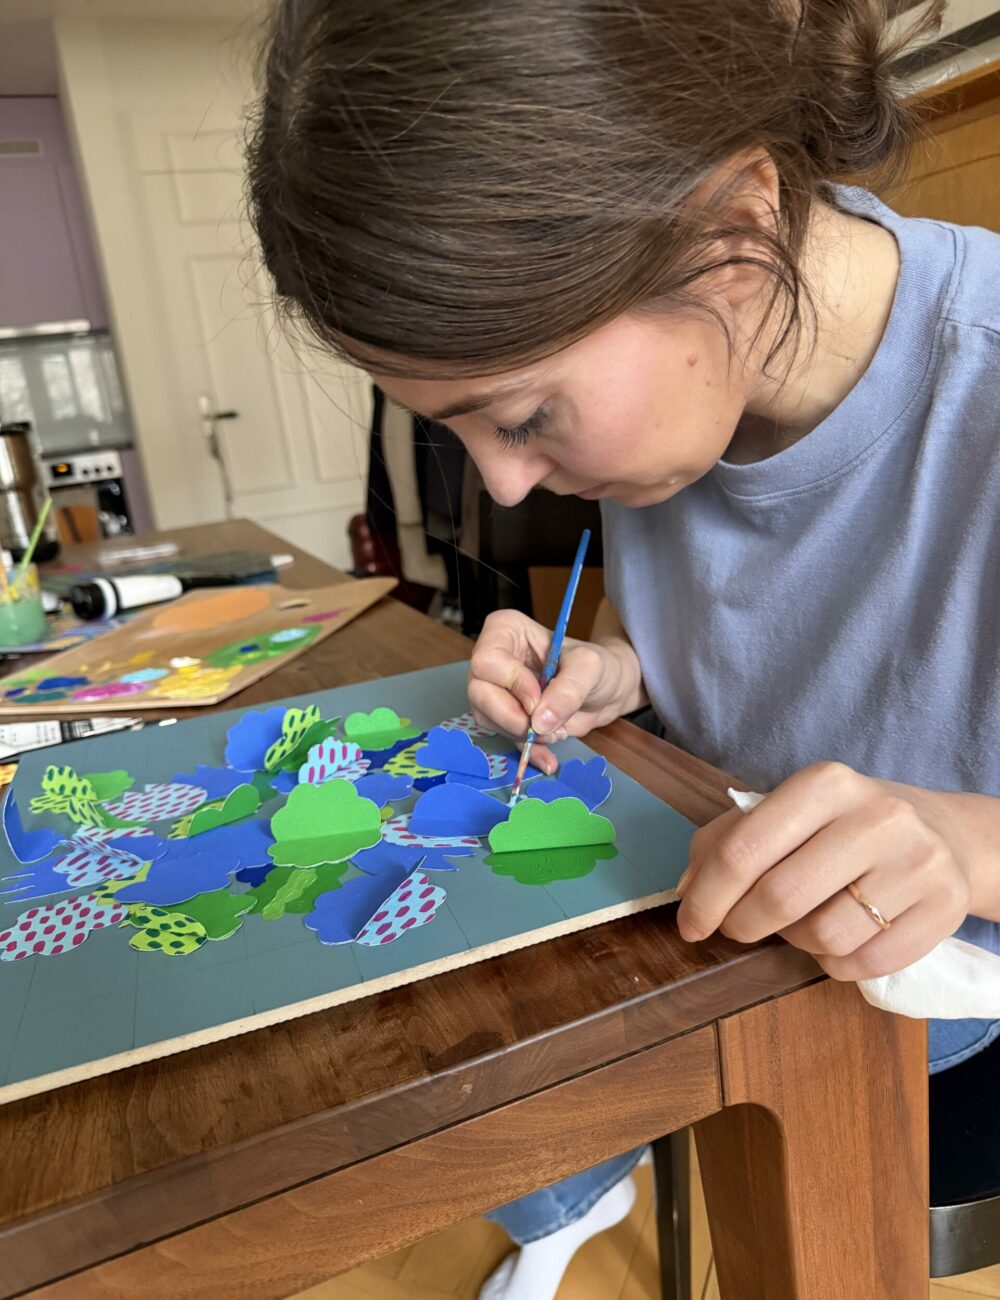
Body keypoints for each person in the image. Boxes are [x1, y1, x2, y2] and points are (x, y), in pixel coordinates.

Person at [246, 1, 1000, 1296]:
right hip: (730, 922)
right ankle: (573, 1201)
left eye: (528, 415)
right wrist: (615, 666)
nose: (511, 481)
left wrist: (952, 839)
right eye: (456, 431)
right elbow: (736, 614)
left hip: (942, 990)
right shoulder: (690, 362)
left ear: (734, 231)